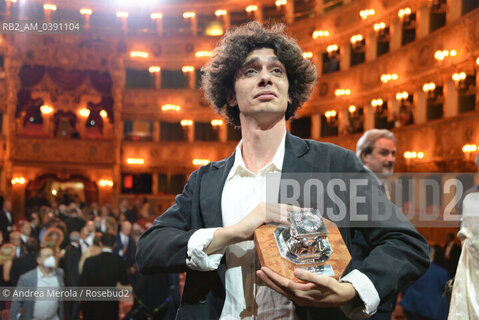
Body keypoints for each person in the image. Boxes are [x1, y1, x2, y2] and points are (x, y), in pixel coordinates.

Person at [136, 22, 429, 319]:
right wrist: (231, 233)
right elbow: (149, 249)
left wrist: (351, 289)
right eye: (251, 71)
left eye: (277, 71)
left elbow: (407, 244)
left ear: (290, 93)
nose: (265, 77)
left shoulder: (335, 165)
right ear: (230, 96)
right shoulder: (205, 181)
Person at [352, 129, 399, 320]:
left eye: (393, 153)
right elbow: (356, 245)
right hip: (365, 291)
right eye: (384, 153)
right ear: (365, 155)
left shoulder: (382, 186)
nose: (391, 159)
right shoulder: (359, 186)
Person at [79, 232, 129, 320]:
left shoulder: (89, 261)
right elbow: (124, 281)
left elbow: (83, 284)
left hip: (91, 305)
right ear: (114, 244)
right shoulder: (119, 261)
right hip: (110, 304)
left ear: (101, 243)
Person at [9, 246, 64, 320]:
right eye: (47, 256)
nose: (51, 258)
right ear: (38, 260)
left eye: (52, 255)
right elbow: (16, 301)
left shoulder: (59, 273)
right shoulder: (27, 278)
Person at [400, 245, 450, 320]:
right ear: (433, 254)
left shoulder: (412, 268)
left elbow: (404, 287)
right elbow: (445, 293)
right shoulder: (442, 273)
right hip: (433, 311)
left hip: (412, 307)